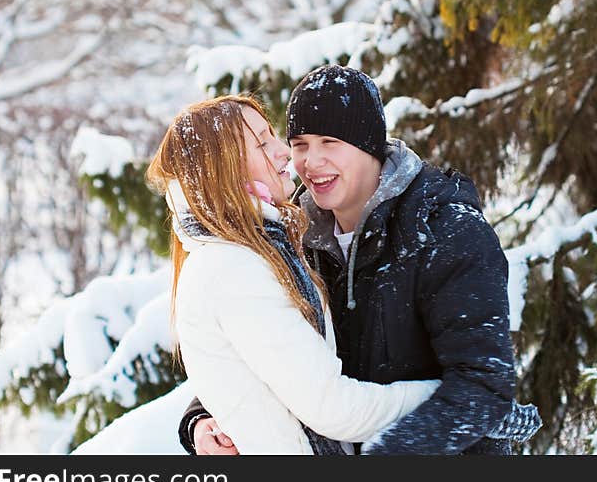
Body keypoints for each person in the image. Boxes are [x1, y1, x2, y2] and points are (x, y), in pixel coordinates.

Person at [179, 65, 540, 455]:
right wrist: (202, 421)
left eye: (329, 142)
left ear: (368, 144)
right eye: (299, 144)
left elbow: (483, 388)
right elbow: (270, 352)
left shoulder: (447, 232)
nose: (309, 162)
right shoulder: (295, 238)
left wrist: (386, 454)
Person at [147, 95, 440, 454]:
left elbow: (263, 376)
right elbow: (332, 408)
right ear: (222, 168)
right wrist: (443, 394)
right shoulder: (235, 268)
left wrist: (201, 420)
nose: (284, 152)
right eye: (261, 142)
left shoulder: (271, 242)